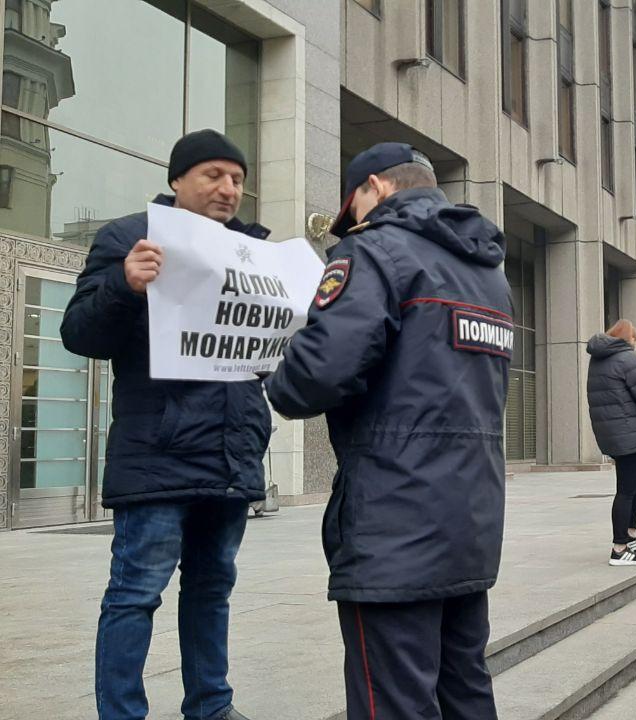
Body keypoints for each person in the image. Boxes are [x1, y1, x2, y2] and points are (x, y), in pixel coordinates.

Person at [264, 142, 510, 718]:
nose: (351, 225)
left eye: (352, 211)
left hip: (395, 520)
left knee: (393, 702)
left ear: (374, 187)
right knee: (465, 689)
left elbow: (315, 377)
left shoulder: (374, 252)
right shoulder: (487, 272)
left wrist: (277, 371)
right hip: (469, 518)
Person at [62, 129, 267, 720]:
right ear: (178, 179)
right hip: (157, 450)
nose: (228, 189)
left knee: (211, 590)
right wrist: (123, 286)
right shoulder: (129, 238)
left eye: (237, 179)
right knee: (135, 594)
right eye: (213, 175)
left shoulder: (253, 251)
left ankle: (211, 705)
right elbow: (79, 334)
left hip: (230, 450)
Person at [586, 320, 636, 566]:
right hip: (629, 431)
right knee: (627, 489)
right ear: (631, 340)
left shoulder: (598, 359)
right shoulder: (628, 360)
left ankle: (630, 535)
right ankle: (620, 546)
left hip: (613, 431)